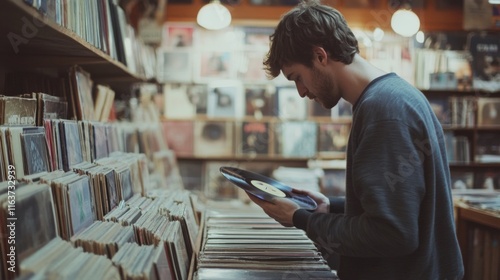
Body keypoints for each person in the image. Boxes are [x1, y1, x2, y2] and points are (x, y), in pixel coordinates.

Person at [247, 1, 465, 279]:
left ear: (320, 56)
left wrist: (301, 218)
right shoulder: (391, 97)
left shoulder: (384, 112)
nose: (301, 92)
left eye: (298, 78)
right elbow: (399, 205)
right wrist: (330, 206)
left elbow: (393, 234)